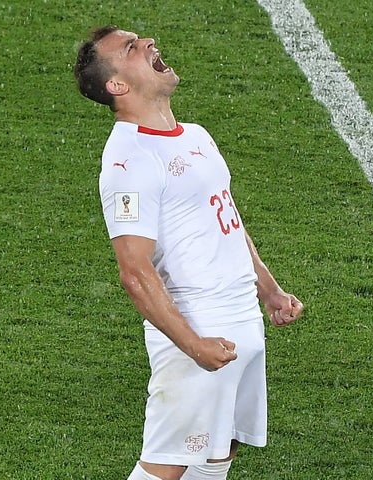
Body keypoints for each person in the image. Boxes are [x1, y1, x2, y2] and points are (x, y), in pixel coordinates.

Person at [73, 25, 304, 480]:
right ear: (117, 85)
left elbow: (226, 218)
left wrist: (269, 289)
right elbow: (135, 272)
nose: (148, 43)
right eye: (131, 48)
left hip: (240, 316)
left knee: (221, 448)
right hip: (196, 322)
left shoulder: (194, 135)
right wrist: (192, 344)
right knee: (167, 465)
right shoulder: (130, 161)